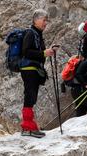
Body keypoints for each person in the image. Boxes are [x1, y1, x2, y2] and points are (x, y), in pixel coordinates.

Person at [20, 9, 56, 138]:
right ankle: (28, 127)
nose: (46, 23)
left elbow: (38, 53)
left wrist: (48, 52)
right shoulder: (31, 33)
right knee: (30, 96)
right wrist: (42, 53)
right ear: (35, 20)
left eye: (47, 20)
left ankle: (28, 126)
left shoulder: (37, 34)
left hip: (33, 69)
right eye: (44, 20)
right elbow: (26, 52)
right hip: (29, 69)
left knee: (31, 97)